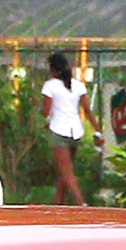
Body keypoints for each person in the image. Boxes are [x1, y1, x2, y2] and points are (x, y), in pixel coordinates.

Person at [38, 51, 87, 205]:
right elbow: (87, 109)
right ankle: (57, 203)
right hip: (76, 131)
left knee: (66, 172)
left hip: (58, 131)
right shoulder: (78, 85)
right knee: (63, 171)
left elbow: (46, 111)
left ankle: (81, 203)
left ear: (52, 69)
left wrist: (42, 114)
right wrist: (97, 130)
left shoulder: (50, 86)